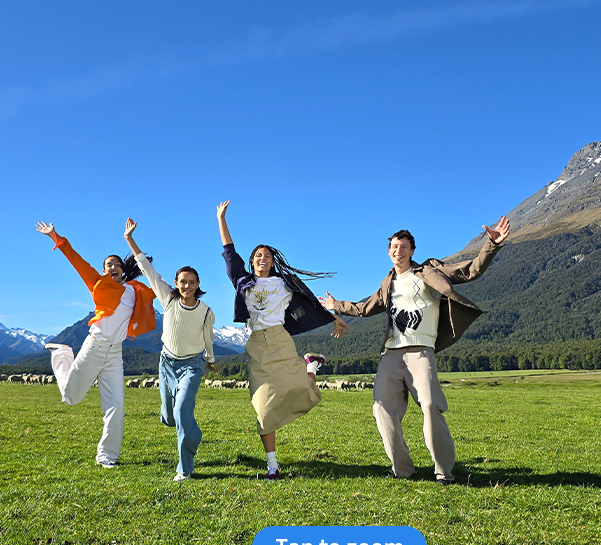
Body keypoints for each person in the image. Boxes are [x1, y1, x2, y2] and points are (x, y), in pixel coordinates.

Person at [333, 218, 509, 482]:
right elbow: (364, 308)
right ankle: (402, 470)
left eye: (403, 246)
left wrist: (491, 244)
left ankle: (443, 472)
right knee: (381, 409)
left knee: (429, 405)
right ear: (388, 251)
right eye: (393, 246)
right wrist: (336, 305)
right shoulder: (387, 283)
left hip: (421, 352)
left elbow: (470, 270)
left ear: (412, 251)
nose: (398, 251)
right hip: (391, 354)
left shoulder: (429, 271)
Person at [216, 199, 341, 472]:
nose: (263, 259)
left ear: (273, 262)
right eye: (258, 256)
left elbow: (311, 302)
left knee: (303, 391)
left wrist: (335, 318)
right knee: (263, 407)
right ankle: (272, 465)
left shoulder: (284, 284)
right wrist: (221, 220)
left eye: (267, 256)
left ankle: (311, 366)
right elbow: (229, 253)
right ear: (252, 262)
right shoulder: (243, 281)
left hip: (281, 339)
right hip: (256, 345)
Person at [36, 221, 152, 465]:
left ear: (123, 270)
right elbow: (76, 261)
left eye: (117, 264)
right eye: (108, 265)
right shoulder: (98, 284)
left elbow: (157, 282)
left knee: (116, 407)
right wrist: (55, 236)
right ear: (103, 271)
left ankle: (107, 455)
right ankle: (61, 354)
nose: (113, 267)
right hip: (94, 347)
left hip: (115, 355)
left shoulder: (136, 289)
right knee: (71, 398)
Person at [124, 217, 215, 479]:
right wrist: (129, 239)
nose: (187, 286)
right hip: (166, 364)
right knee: (169, 416)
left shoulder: (206, 311)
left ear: (198, 285)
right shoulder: (167, 299)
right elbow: (147, 269)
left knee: (181, 410)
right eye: (182, 281)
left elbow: (208, 338)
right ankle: (191, 431)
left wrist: (209, 359)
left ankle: (185, 468)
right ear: (176, 284)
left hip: (192, 365)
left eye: (192, 282)